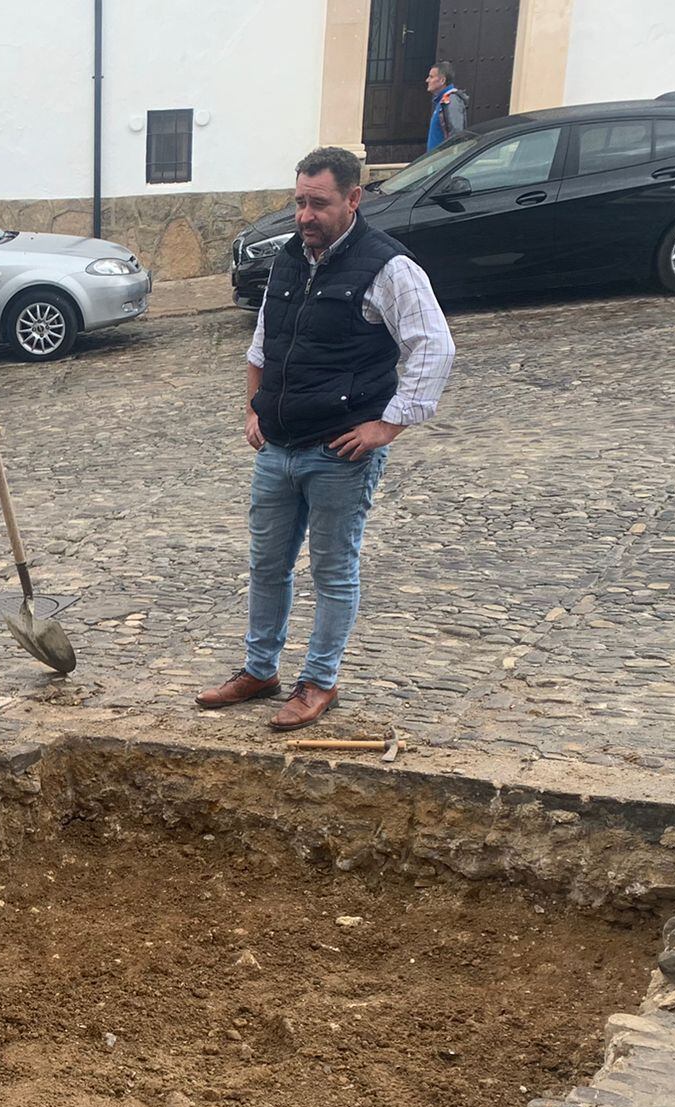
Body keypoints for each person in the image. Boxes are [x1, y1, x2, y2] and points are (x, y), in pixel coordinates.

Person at [197, 146, 456, 730]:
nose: (306, 215)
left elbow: (433, 346)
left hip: (340, 452)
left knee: (333, 571)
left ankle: (319, 681)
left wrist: (386, 425)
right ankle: (260, 670)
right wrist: (253, 409)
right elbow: (264, 341)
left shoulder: (389, 267)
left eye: (319, 203)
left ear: (353, 199)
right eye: (299, 203)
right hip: (278, 449)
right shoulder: (291, 257)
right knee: (267, 566)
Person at [427, 62, 469, 152]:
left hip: (442, 160)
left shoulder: (451, 100)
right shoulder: (442, 101)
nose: (427, 80)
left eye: (431, 77)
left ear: (442, 80)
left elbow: (456, 134)